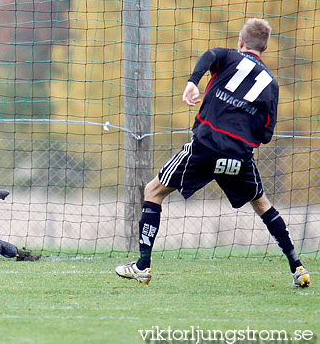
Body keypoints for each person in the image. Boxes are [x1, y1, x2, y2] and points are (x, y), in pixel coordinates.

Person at [115, 18, 310, 288]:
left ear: (241, 42)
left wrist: (194, 82)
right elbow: (266, 134)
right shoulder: (271, 85)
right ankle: (297, 267)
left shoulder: (229, 56)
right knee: (263, 204)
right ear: (264, 47)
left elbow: (209, 55)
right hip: (239, 156)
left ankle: (142, 266)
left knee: (153, 192)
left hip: (206, 146)